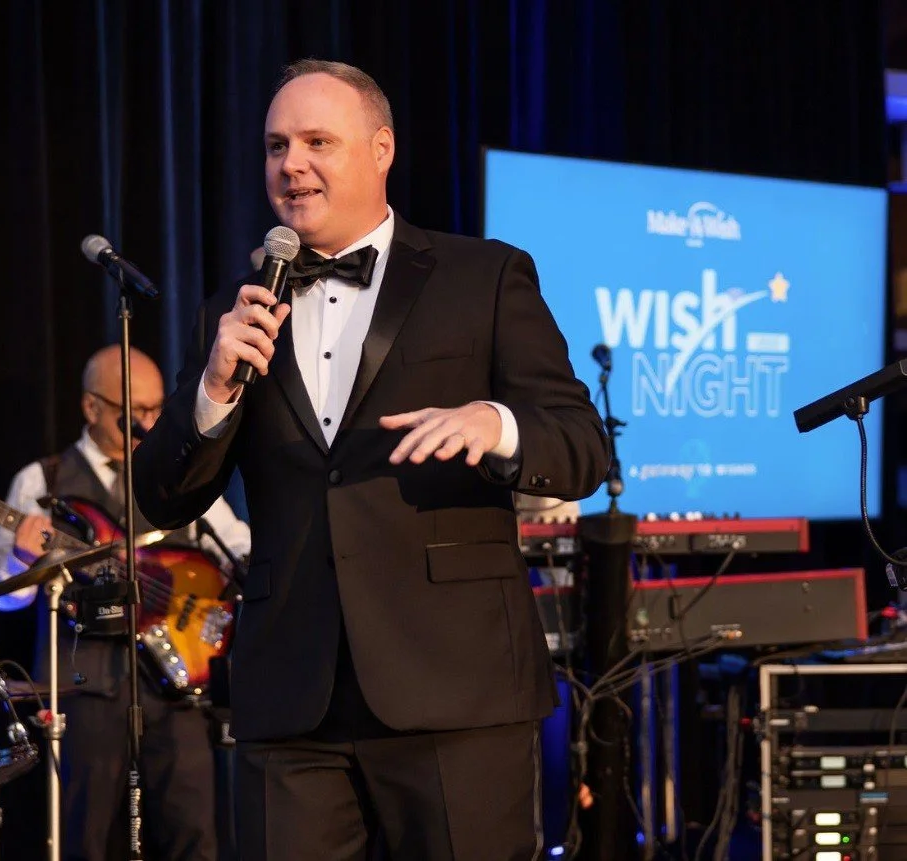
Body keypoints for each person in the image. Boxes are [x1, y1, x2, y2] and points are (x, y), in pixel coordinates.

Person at [132, 59, 609, 860]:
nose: (291, 164)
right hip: (292, 696)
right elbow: (161, 495)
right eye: (276, 145)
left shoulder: (483, 276)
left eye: (318, 141)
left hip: (455, 686)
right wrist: (212, 392)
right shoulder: (232, 310)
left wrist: (495, 423)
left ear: (381, 149)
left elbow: (581, 444)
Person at [0, 344, 251, 861]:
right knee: (85, 838)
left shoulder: (175, 472)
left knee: (195, 837)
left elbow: (236, 546)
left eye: (156, 409)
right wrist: (19, 560)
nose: (147, 423)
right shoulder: (42, 482)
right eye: (135, 411)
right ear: (91, 407)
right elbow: (4, 596)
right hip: (84, 692)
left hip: (176, 684)